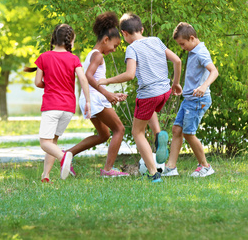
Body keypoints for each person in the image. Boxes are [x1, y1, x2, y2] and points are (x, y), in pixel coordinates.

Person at [98, 13, 182, 183]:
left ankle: (153, 173)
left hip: (148, 94)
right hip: (164, 91)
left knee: (137, 132)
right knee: (148, 111)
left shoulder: (132, 48)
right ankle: (159, 134)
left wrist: (107, 80)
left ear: (124, 33)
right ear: (142, 29)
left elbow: (130, 75)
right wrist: (175, 84)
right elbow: (177, 61)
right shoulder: (156, 41)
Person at [62, 12, 129, 177]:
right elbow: (89, 77)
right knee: (119, 129)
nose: (113, 50)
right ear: (106, 40)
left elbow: (95, 79)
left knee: (104, 134)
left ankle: (67, 154)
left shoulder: (93, 54)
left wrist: (112, 94)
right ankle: (107, 170)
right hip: (95, 99)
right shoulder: (98, 55)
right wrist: (107, 94)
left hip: (90, 98)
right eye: (114, 45)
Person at [32, 24, 91, 182]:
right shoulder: (74, 59)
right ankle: (46, 176)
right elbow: (83, 79)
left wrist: (50, 84)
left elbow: (38, 82)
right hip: (68, 108)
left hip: (52, 106)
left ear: (54, 38)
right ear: (70, 40)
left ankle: (64, 156)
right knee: (53, 141)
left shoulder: (44, 57)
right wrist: (88, 102)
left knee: (45, 142)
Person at [163, 22, 219, 178]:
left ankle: (206, 166)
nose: (182, 47)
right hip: (189, 99)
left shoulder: (201, 52)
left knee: (188, 133)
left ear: (192, 38)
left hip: (197, 100)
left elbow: (214, 72)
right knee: (176, 130)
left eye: (183, 43)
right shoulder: (193, 50)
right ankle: (171, 167)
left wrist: (204, 86)